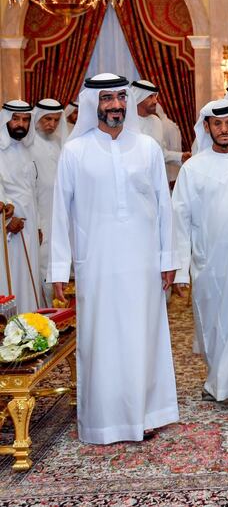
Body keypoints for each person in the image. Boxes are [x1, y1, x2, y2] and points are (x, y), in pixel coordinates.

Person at [49, 73, 179, 444]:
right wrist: (60, 267)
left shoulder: (148, 149)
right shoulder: (74, 152)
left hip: (142, 263)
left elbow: (162, 207)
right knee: (102, 341)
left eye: (120, 98)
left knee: (144, 335)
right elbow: (61, 213)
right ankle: (105, 421)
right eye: (107, 99)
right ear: (93, 104)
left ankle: (146, 414)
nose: (115, 106)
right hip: (98, 264)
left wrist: (167, 257)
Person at [172, 99, 228, 402]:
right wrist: (181, 270)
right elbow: (179, 221)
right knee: (213, 321)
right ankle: (218, 379)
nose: (224, 129)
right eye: (217, 124)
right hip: (209, 260)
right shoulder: (193, 167)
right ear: (207, 127)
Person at [0, 100, 40, 313]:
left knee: (30, 274)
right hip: (9, 230)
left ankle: (32, 321)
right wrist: (7, 220)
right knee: (14, 277)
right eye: (15, 118)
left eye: (25, 119)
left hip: (29, 224)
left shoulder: (26, 150)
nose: (21, 124)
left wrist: (38, 225)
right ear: (6, 120)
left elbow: (33, 191)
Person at [31, 99, 68, 306]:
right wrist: (35, 223)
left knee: (55, 265)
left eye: (55, 120)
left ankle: (54, 316)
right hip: (40, 216)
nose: (51, 124)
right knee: (43, 266)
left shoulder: (57, 143)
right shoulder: (29, 144)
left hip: (57, 214)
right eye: (47, 119)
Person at [130, 80, 189, 184]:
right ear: (139, 98)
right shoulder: (126, 123)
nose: (155, 101)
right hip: (134, 181)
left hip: (156, 179)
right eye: (150, 97)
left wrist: (180, 156)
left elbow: (160, 152)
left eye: (155, 96)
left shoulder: (156, 121)